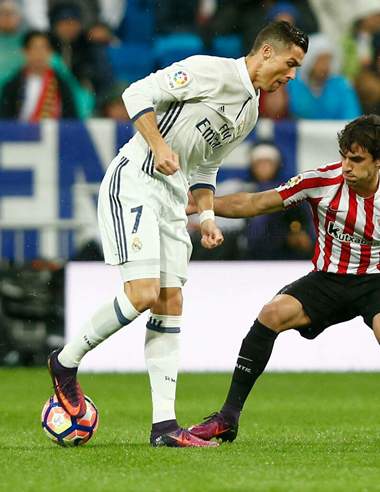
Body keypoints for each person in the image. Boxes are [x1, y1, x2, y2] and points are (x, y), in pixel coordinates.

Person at [47, 21, 309, 448]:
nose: (291, 75)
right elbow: (136, 93)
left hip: (172, 200)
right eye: (290, 63)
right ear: (266, 52)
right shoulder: (209, 71)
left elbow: (205, 168)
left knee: (170, 302)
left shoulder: (250, 111)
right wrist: (157, 145)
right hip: (135, 180)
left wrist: (207, 215)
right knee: (143, 293)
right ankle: (65, 362)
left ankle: (164, 427)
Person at [188, 115, 380, 446]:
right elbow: (256, 202)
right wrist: (203, 207)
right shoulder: (320, 181)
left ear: (379, 160)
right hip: (327, 279)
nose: (347, 166)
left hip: (376, 282)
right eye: (345, 156)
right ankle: (227, 418)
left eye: (357, 159)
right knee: (271, 314)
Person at [0, 30, 78, 120]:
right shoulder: (12, 85)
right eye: (35, 48)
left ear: (50, 53)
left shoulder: (61, 85)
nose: (39, 54)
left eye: (43, 48)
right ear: (25, 52)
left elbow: (71, 118)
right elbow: (6, 120)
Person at [288, 33, 361, 120]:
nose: (325, 66)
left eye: (328, 60)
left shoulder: (341, 86)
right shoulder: (292, 84)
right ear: (309, 61)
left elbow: (352, 116)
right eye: (321, 60)